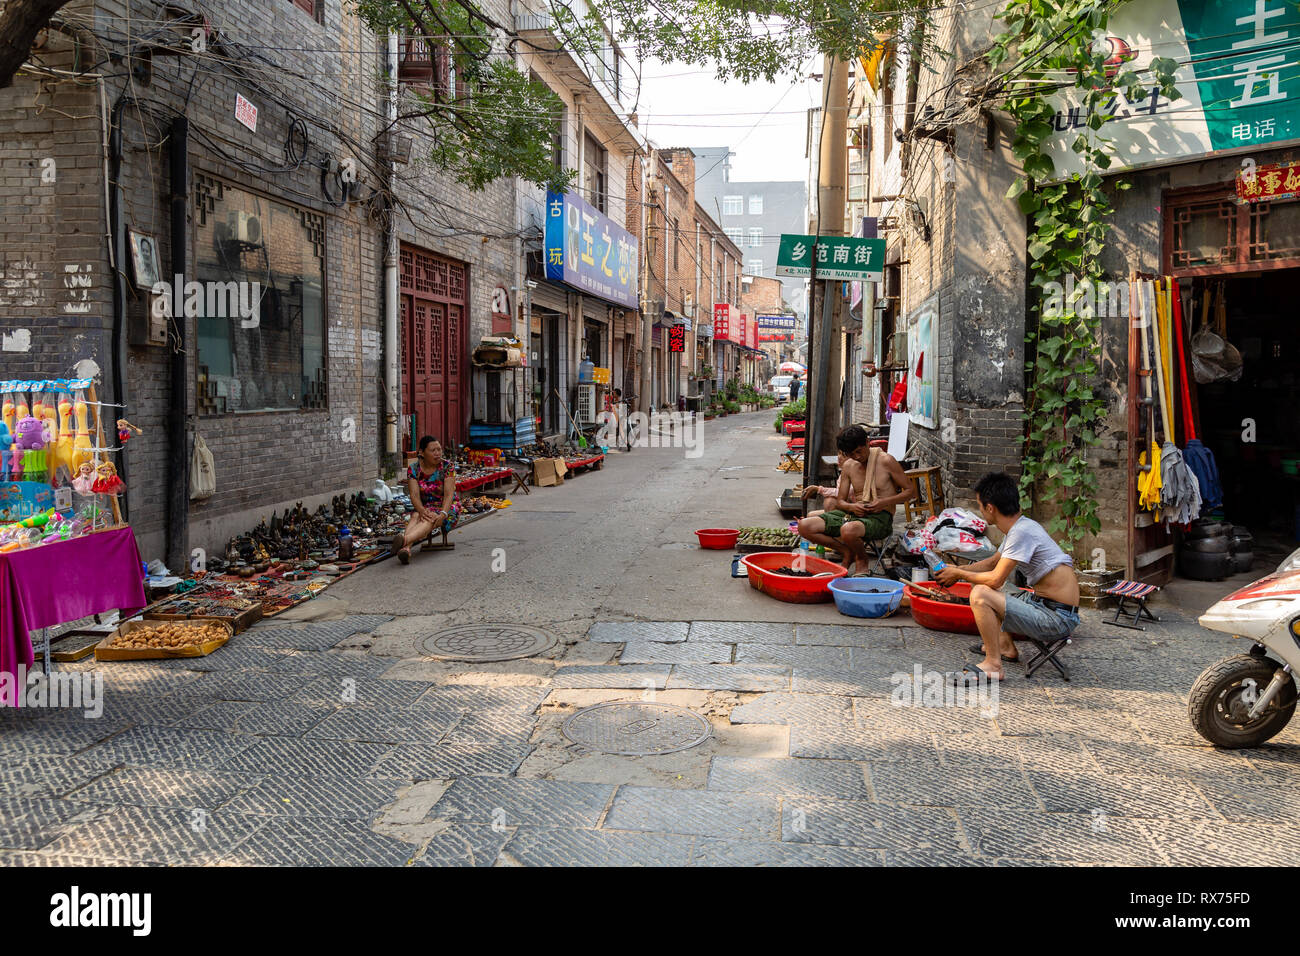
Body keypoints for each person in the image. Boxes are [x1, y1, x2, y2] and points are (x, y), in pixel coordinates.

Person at [935, 471, 1081, 685]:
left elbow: (994, 579)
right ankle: (1004, 646)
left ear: (990, 508)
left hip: (1056, 619)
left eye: (980, 505)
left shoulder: (1022, 532)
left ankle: (993, 665)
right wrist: (958, 571)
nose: (981, 511)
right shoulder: (1020, 527)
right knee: (979, 580)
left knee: (982, 593)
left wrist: (958, 573)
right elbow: (991, 563)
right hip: (1043, 605)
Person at [797, 424, 914, 574]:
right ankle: (846, 552)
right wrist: (852, 507)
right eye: (852, 454)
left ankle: (862, 559)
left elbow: (911, 492)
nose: (857, 457)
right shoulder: (849, 466)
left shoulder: (886, 461)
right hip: (854, 515)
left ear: (867, 442)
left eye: (859, 451)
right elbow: (841, 501)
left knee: (848, 529)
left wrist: (884, 502)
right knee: (804, 526)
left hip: (881, 518)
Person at [390, 435, 461, 565]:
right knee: (416, 515)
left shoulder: (447, 467)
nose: (437, 453)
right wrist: (422, 510)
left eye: (439, 449)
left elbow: (449, 495)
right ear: (422, 452)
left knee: (431, 518)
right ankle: (406, 549)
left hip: (447, 507)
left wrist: (443, 514)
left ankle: (404, 541)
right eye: (433, 450)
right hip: (426, 507)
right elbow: (414, 495)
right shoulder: (414, 469)